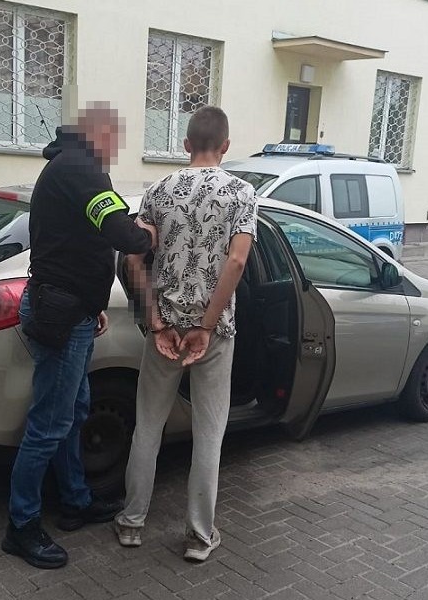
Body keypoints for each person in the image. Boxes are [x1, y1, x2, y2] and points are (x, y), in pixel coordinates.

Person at [2, 103, 156, 570]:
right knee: (49, 423)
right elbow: (120, 233)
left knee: (73, 413)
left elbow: (78, 241)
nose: (116, 147)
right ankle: (21, 526)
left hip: (73, 310)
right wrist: (149, 233)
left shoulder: (68, 166)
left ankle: (75, 500)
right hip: (63, 315)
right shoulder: (81, 168)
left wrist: (93, 306)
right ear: (97, 135)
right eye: (114, 137)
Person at [114, 106, 257, 562]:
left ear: (186, 144)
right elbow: (237, 262)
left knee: (148, 426)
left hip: (164, 329)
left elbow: (133, 259)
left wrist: (155, 321)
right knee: (209, 433)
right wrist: (206, 325)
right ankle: (199, 536)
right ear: (226, 146)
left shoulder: (158, 190)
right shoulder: (242, 193)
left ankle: (131, 523)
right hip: (212, 332)